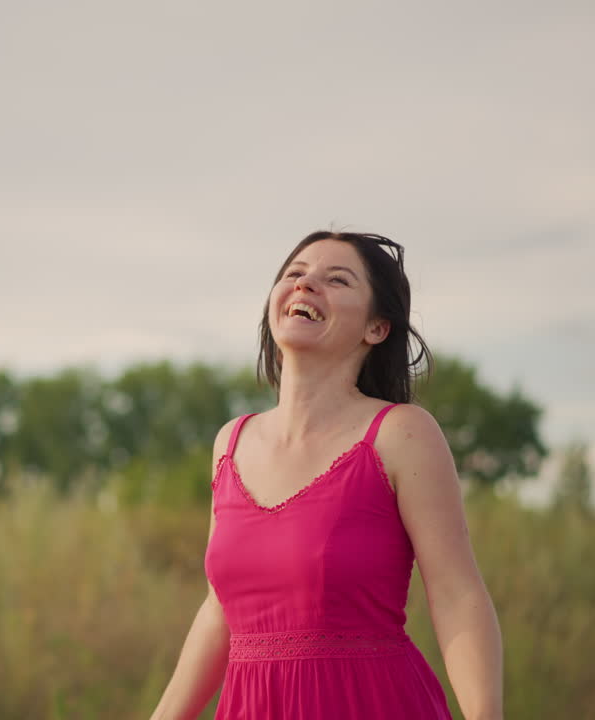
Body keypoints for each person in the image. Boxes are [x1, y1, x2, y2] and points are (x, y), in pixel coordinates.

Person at [149, 230, 503, 719]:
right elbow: (219, 613)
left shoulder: (400, 433)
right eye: (294, 274)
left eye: (337, 279)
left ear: (376, 328)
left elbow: (456, 593)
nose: (306, 284)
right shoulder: (230, 443)